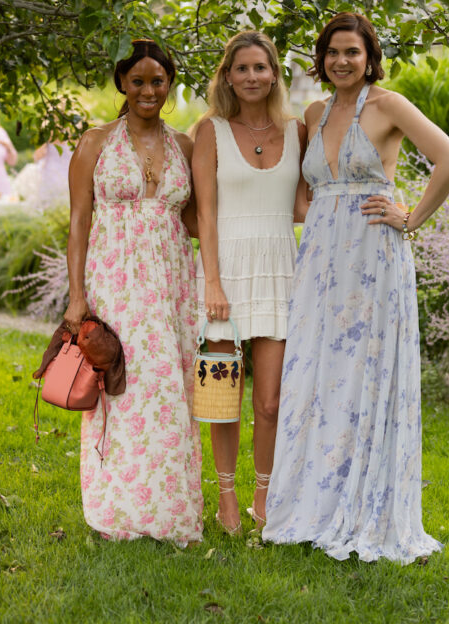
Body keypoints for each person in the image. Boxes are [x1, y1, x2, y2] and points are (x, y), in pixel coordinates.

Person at [263, 12, 449, 563]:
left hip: (374, 257)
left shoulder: (389, 105)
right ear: (321, 58)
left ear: (369, 56)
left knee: (366, 373)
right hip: (320, 262)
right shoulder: (313, 112)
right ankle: (313, 504)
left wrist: (411, 218)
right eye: (332, 52)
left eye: (352, 51)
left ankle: (366, 506)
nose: (341, 61)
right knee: (317, 373)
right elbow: (303, 191)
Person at [64, 38, 203, 544]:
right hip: (115, 281)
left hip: (171, 284)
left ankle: (168, 511)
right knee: (119, 390)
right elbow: (79, 222)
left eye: (158, 81)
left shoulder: (185, 145)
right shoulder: (95, 142)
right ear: (122, 82)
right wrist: (77, 296)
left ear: (170, 84)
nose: (148, 90)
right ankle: (115, 508)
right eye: (138, 80)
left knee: (169, 389)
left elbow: (196, 221)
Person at [192, 31, 308, 535]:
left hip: (280, 272)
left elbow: (304, 206)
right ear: (227, 76)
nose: (252, 76)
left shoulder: (298, 131)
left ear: (275, 73)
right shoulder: (210, 131)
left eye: (260, 67)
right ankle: (226, 496)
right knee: (223, 397)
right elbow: (205, 214)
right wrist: (212, 283)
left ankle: (264, 494)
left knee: (271, 401)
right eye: (242, 68)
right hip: (226, 273)